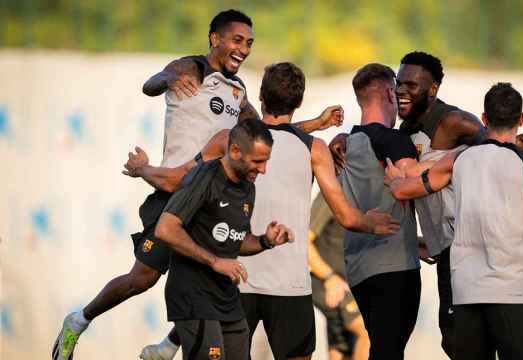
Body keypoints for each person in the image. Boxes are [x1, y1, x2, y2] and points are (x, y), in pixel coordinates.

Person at [52, 10, 341, 360]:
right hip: (175, 193)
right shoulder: (191, 68)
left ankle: (168, 345)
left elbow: (267, 133)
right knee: (142, 279)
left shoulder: (238, 91)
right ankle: (79, 321)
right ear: (214, 39)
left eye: (249, 43)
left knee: (215, 278)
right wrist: (167, 80)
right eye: (237, 40)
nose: (244, 49)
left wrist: (316, 124)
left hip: (211, 197)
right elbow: (153, 82)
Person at [126, 62, 399, 360]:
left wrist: (144, 169)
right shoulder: (314, 149)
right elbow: (346, 216)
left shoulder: (230, 141)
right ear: (299, 101)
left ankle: (170, 343)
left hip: (236, 281)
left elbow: (177, 179)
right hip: (290, 286)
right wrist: (370, 223)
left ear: (260, 97)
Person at [330, 51, 523, 358]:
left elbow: (494, 146)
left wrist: (514, 145)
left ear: (433, 89)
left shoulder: (453, 121)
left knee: (473, 342)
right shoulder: (400, 134)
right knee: (455, 342)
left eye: (412, 85)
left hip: (467, 248)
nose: (402, 91)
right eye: (399, 83)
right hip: (443, 251)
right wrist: (343, 137)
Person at [386, 82, 523, 359]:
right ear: (521, 120)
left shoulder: (458, 159)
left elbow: (408, 188)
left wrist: (395, 179)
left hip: (466, 292)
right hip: (511, 292)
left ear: (484, 119)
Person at [155, 118, 295, 359]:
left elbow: (235, 241)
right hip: (192, 295)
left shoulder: (247, 187)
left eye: (266, 161)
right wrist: (214, 261)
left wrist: (265, 241)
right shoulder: (204, 177)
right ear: (235, 151)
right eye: (258, 161)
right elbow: (165, 229)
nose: (263, 170)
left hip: (227, 300)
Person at [336, 63, 420, 360]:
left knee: (383, 349)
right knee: (388, 352)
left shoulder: (347, 143)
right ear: (389, 93)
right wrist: (460, 156)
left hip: (359, 269)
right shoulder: (393, 139)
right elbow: (415, 178)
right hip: (394, 266)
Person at [308, 194, 370, 360]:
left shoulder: (367, 196)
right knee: (368, 331)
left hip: (348, 286)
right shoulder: (333, 194)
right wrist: (329, 278)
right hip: (327, 283)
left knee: (343, 348)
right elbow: (304, 243)